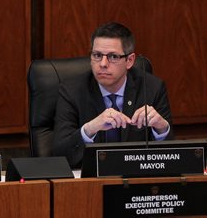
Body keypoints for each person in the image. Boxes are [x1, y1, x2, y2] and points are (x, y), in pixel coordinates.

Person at [52, 22, 173, 167]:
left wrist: (161, 128)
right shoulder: (71, 91)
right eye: (97, 55)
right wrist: (90, 129)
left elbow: (172, 158)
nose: (103, 63)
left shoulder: (152, 88)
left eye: (113, 57)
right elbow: (59, 155)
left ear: (129, 61)